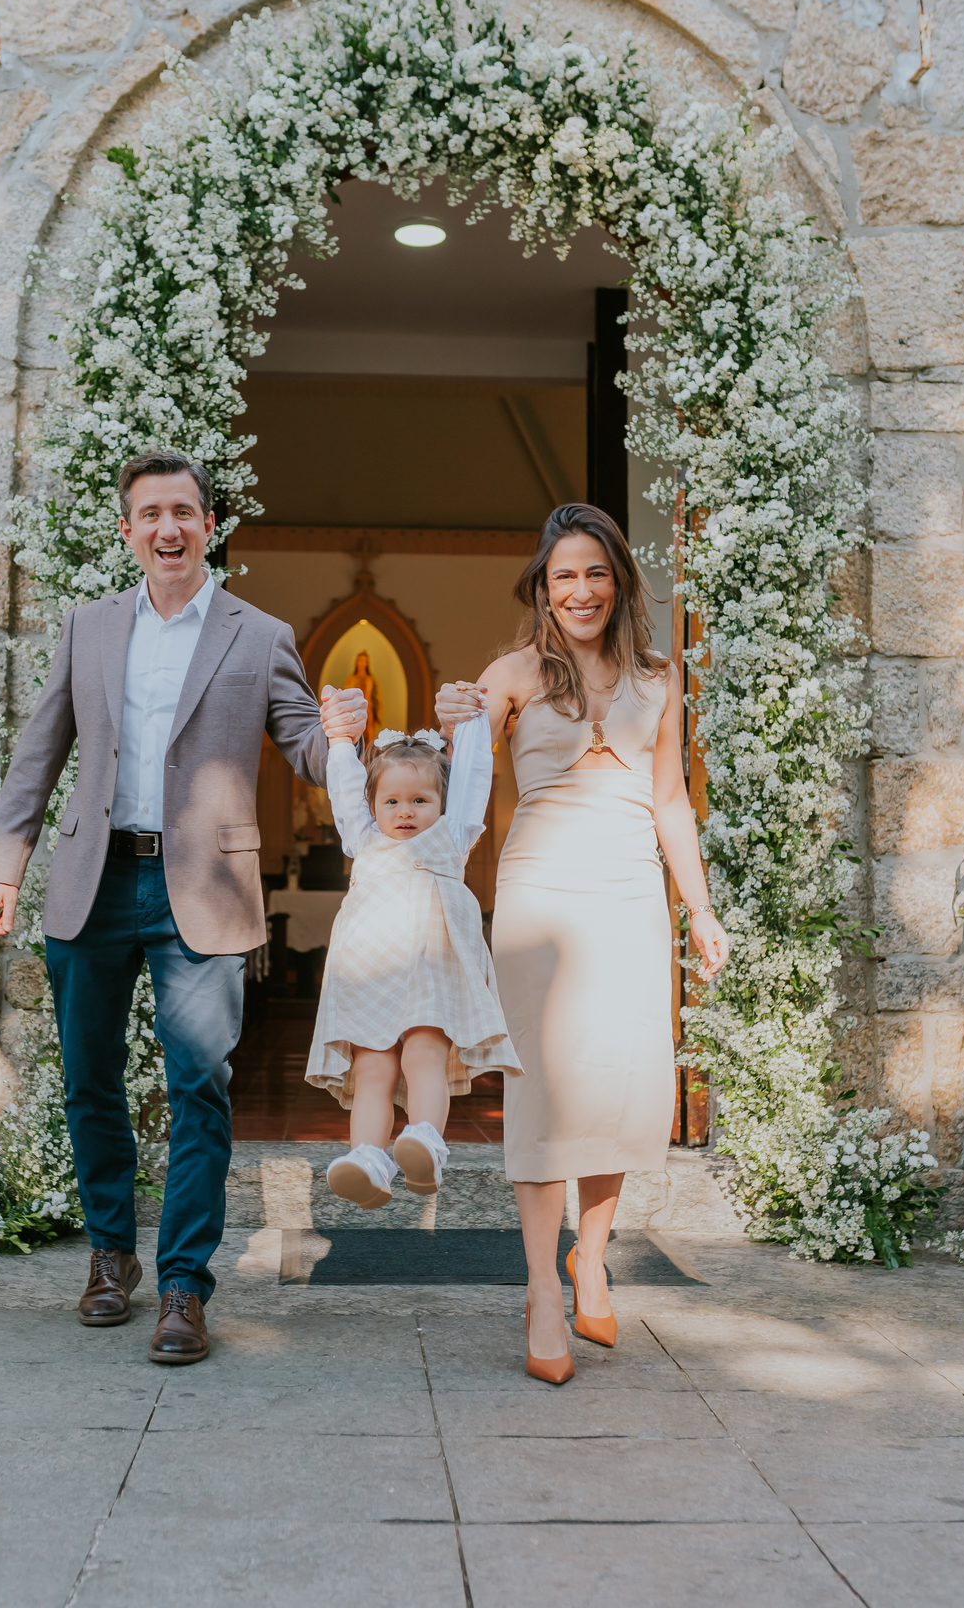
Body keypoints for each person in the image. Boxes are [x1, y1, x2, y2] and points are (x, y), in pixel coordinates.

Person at [0, 450, 367, 1365]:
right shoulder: (88, 628)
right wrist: (4, 866)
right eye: (150, 514)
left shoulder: (258, 634)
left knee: (199, 1087)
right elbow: (39, 754)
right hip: (92, 882)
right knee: (89, 1081)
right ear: (127, 530)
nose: (168, 528)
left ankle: (184, 1285)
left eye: (184, 512)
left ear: (208, 527)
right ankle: (111, 1256)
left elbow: (304, 744)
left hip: (206, 891)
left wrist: (343, 734)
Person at [436, 503, 729, 1385]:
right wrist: (456, 718)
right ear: (543, 587)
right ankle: (538, 1289)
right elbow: (459, 784)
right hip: (537, 897)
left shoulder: (658, 677)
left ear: (619, 582)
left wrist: (701, 911)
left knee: (618, 1091)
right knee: (544, 1094)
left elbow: (672, 802)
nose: (581, 589)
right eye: (564, 574)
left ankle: (590, 1258)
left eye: (595, 572)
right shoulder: (513, 673)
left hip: (631, 894)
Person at [305, 699, 522, 1207]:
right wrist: (340, 742)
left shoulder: (453, 836)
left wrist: (469, 730)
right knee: (372, 1069)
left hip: (431, 965)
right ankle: (368, 1159)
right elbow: (343, 790)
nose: (405, 812)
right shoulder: (363, 838)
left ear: (443, 806)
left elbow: (471, 777)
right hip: (368, 968)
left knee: (424, 1055)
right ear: (374, 805)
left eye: (420, 801)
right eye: (392, 802)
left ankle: (424, 1140)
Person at [343, 649, 383, 743]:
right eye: (360, 660)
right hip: (355, 713)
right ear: (357, 662)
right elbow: (346, 696)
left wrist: (377, 714)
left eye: (364, 661)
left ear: (367, 663)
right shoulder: (351, 680)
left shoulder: (371, 680)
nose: (362, 663)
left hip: (369, 713)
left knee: (369, 738)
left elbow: (377, 698)